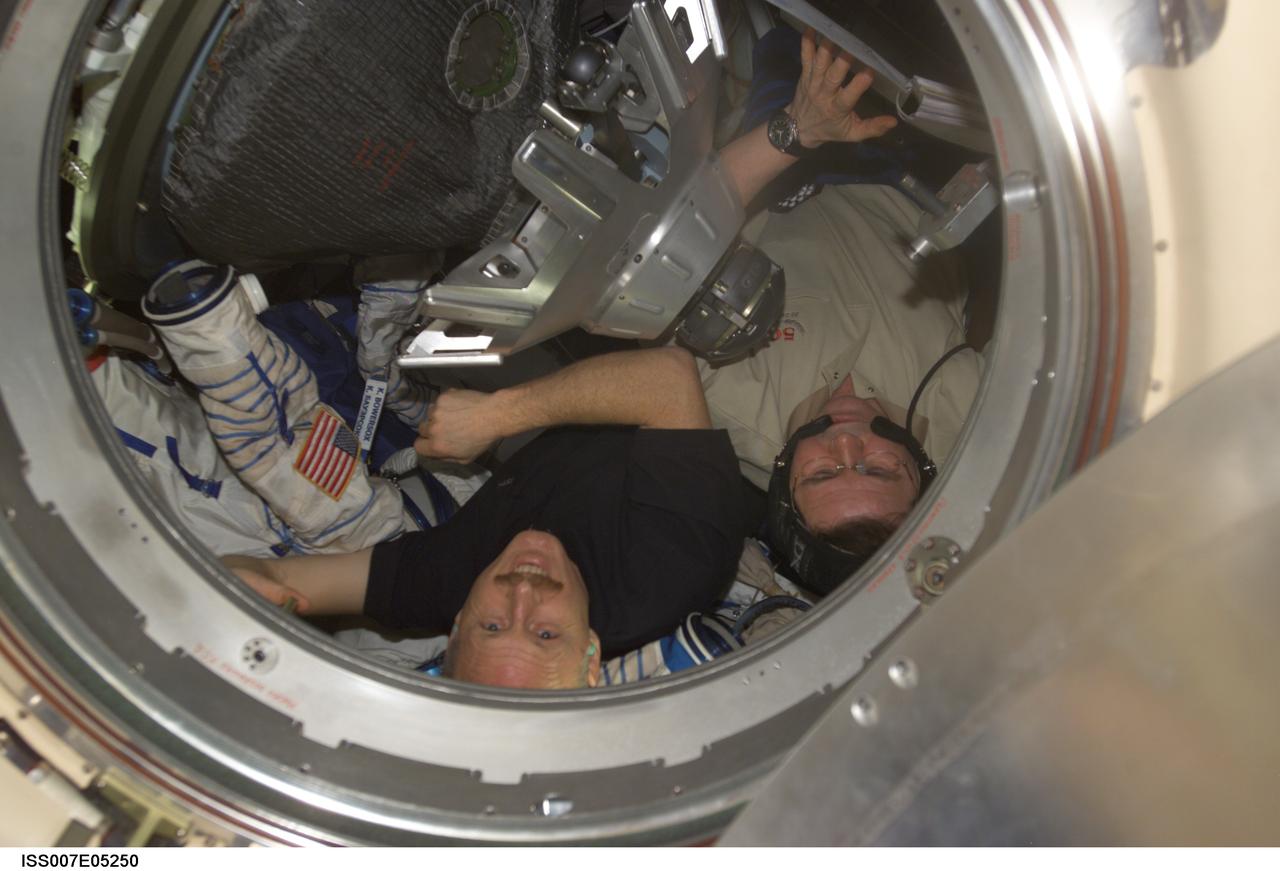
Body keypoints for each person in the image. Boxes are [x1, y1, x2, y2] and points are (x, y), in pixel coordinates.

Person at [225, 344, 751, 690]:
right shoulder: (666, 576)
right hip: (687, 375)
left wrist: (248, 583)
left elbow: (281, 580)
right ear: (591, 654)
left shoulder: (450, 587)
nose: (521, 592)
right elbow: (669, 376)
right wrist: (497, 416)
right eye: (546, 635)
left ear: (457, 627)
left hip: (560, 398)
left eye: (493, 626)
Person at [696, 27, 985, 590]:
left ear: (786, 481)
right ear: (923, 470)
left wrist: (795, 132)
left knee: (803, 45)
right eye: (877, 468)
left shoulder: (727, 410)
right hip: (917, 188)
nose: (846, 444)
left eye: (823, 474)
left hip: (776, 171)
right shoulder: (972, 423)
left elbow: (680, 236)